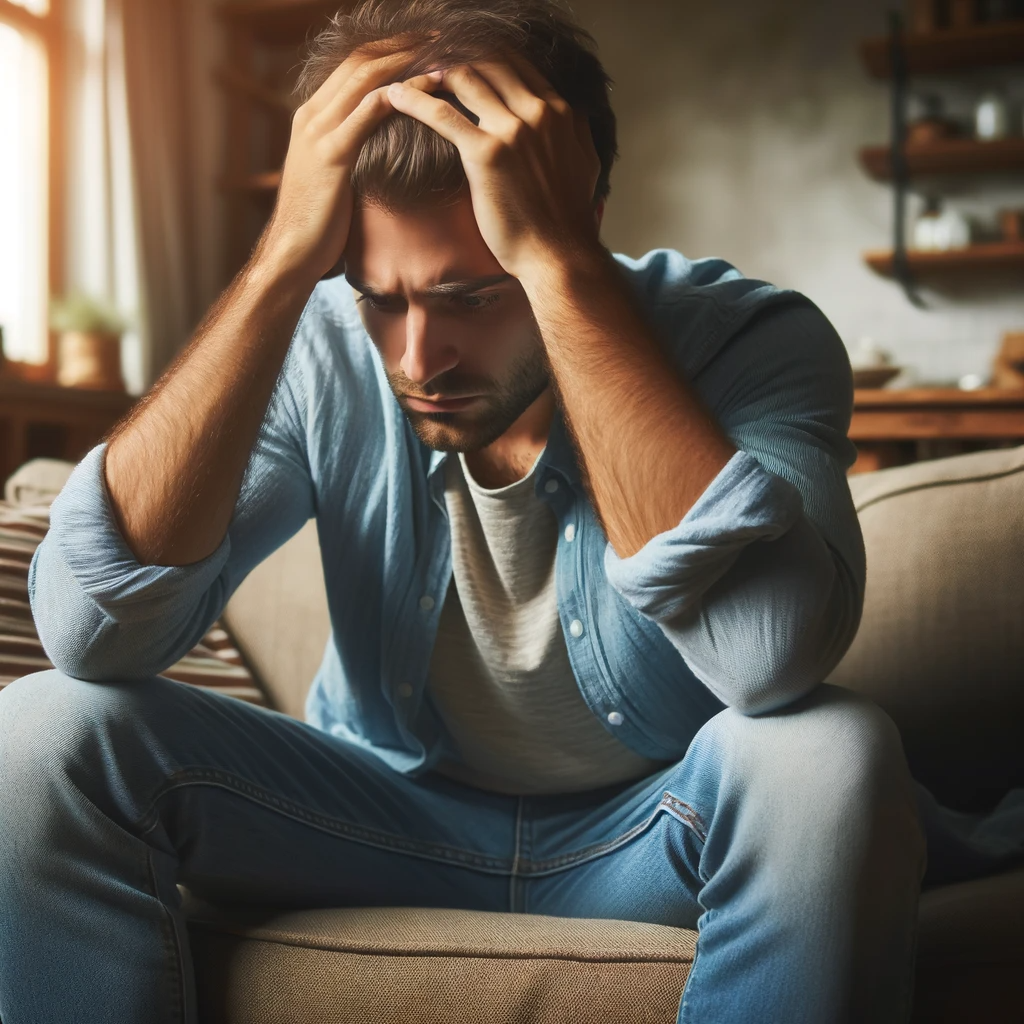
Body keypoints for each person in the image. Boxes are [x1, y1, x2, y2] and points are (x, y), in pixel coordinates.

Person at [0, 1, 932, 1021]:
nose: (417, 359)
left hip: (654, 832)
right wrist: (279, 266)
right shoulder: (322, 340)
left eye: (475, 297)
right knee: (43, 727)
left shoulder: (750, 339)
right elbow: (90, 633)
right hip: (372, 821)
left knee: (825, 751)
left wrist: (562, 272)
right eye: (378, 294)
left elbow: (768, 657)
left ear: (580, 215)